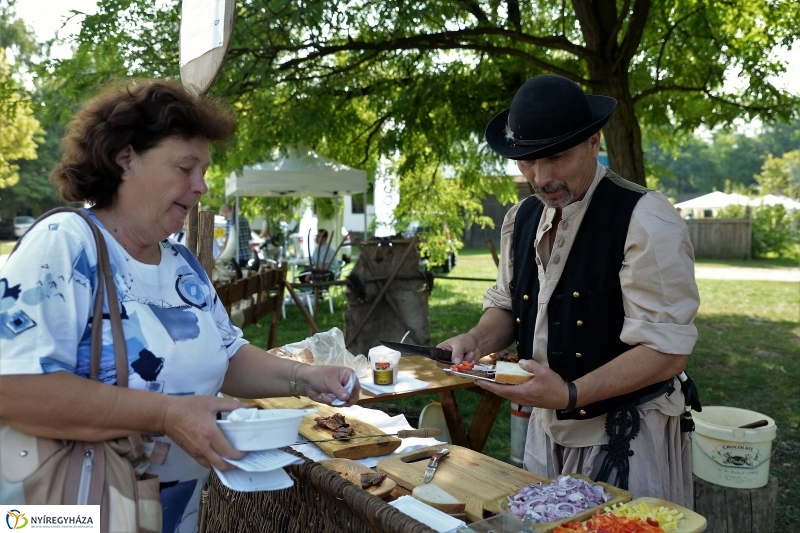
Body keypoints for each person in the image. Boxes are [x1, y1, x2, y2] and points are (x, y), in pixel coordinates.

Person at [0, 80, 360, 533]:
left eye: (203, 169)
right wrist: (167, 415)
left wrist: (303, 377)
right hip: (65, 517)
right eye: (185, 167)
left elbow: (227, 354)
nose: (201, 186)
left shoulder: (181, 262)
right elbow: (12, 387)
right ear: (124, 158)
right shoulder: (66, 245)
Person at [439, 74, 700, 507]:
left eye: (556, 157)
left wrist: (569, 393)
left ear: (594, 142)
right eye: (527, 162)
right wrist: (474, 341)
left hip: (624, 436)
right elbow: (508, 306)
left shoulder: (646, 218)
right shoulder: (521, 218)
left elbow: (667, 350)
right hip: (547, 432)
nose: (541, 177)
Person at [220, 203, 252, 268]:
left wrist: (222, 254)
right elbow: (249, 236)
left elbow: (228, 240)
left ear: (225, 211)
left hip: (237, 257)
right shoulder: (244, 219)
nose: (224, 217)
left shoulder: (230, 221)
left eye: (223, 214)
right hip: (247, 254)